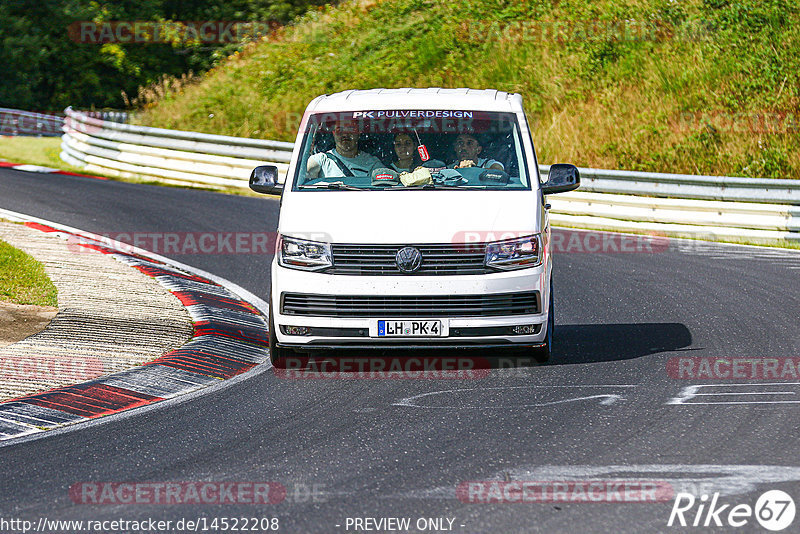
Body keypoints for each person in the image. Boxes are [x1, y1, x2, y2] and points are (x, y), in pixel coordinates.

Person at [307, 119, 383, 179]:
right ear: (333, 133)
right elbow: (303, 173)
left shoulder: (372, 163)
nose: (345, 134)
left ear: (359, 132)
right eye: (340, 129)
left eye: (351, 129)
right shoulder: (322, 160)